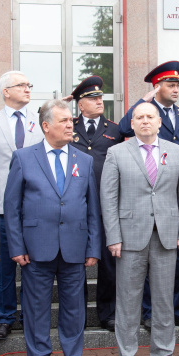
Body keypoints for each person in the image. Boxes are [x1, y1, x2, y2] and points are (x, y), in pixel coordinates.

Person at [5, 99, 102, 356]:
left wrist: (93, 247)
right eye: (64, 121)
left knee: (75, 310)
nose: (71, 125)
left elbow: (92, 208)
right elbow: (12, 208)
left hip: (74, 247)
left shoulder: (83, 160)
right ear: (46, 126)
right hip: (36, 248)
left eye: (71, 120)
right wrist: (17, 246)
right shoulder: (23, 157)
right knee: (36, 310)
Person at [101, 101, 179, 356]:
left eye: (149, 117)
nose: (144, 121)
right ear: (132, 123)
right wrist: (113, 236)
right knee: (128, 303)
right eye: (139, 117)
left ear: (158, 122)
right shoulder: (116, 152)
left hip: (166, 236)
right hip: (129, 237)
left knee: (164, 302)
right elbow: (109, 198)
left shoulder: (176, 152)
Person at [118, 61, 179, 329]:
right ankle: (149, 311)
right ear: (157, 88)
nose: (175, 89)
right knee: (147, 259)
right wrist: (141, 102)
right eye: (170, 84)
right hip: (149, 192)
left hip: (177, 193)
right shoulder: (146, 114)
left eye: (177, 85)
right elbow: (122, 129)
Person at [0, 71, 43, 339]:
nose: (27, 89)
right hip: (2, 208)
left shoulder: (40, 122)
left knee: (34, 265)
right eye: (22, 85)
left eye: (29, 84)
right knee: (4, 267)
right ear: (6, 91)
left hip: (35, 207)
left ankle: (29, 315)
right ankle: (4, 317)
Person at [68, 76, 124, 331]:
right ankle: (77, 313)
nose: (99, 101)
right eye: (92, 98)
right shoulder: (70, 126)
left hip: (106, 204)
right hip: (76, 203)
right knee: (76, 260)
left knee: (109, 262)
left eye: (100, 97)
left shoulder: (115, 130)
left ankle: (108, 312)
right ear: (80, 104)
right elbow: (44, 119)